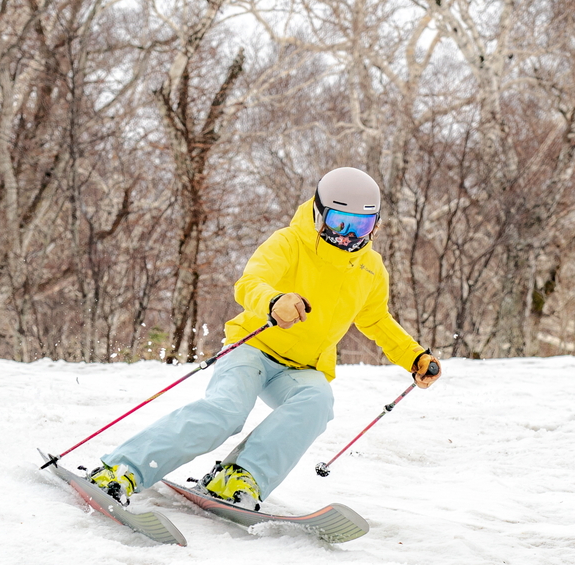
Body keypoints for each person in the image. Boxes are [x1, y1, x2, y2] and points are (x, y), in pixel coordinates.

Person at [86, 167, 441, 509]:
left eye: (360, 225)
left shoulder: (371, 269)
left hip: (302, 367)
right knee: (226, 413)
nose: (347, 235)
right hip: (252, 349)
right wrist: (275, 301)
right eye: (338, 222)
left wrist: (414, 357)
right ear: (319, 213)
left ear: (375, 225)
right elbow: (249, 284)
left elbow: (376, 320)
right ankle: (123, 468)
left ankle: (240, 477)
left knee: (317, 402)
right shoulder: (289, 242)